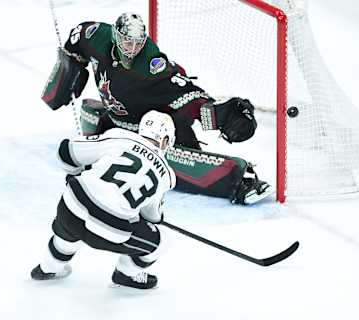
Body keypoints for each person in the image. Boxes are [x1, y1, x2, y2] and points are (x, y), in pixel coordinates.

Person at [41, 12, 273, 205]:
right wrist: (70, 70)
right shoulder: (95, 36)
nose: (132, 48)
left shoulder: (151, 66)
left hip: (151, 130)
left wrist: (222, 114)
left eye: (137, 42)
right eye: (126, 41)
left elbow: (187, 93)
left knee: (163, 132)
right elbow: (76, 40)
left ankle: (239, 184)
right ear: (115, 36)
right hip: (113, 121)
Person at [31, 110, 176, 289]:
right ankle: (125, 274)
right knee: (163, 242)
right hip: (110, 232)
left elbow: (65, 153)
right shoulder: (167, 176)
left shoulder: (121, 137)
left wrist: (78, 173)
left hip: (71, 207)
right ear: (166, 141)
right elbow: (152, 217)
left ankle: (48, 268)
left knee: (69, 225)